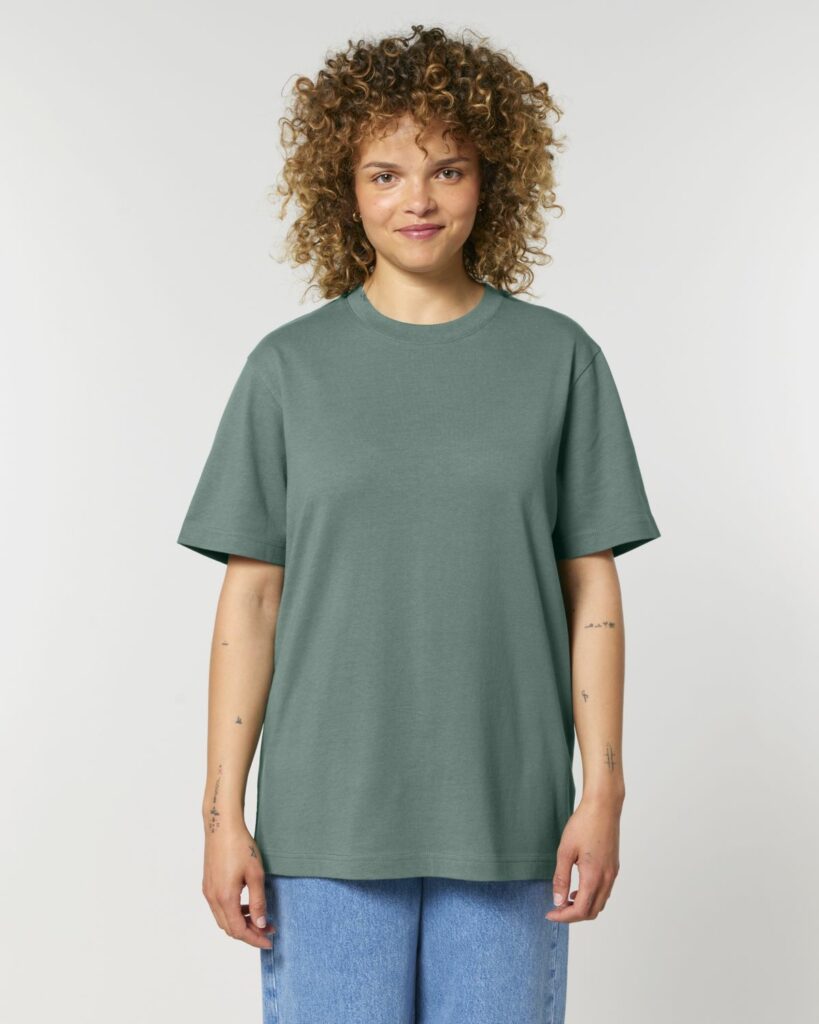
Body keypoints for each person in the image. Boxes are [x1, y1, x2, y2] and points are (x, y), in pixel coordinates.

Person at [176, 24, 661, 1024]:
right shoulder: (288, 369)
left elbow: (592, 590)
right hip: (324, 828)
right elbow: (251, 602)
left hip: (510, 819)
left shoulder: (559, 360)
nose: (419, 200)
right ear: (344, 191)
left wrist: (603, 791)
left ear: (490, 179)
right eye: (385, 174)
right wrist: (222, 814)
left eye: (447, 169)